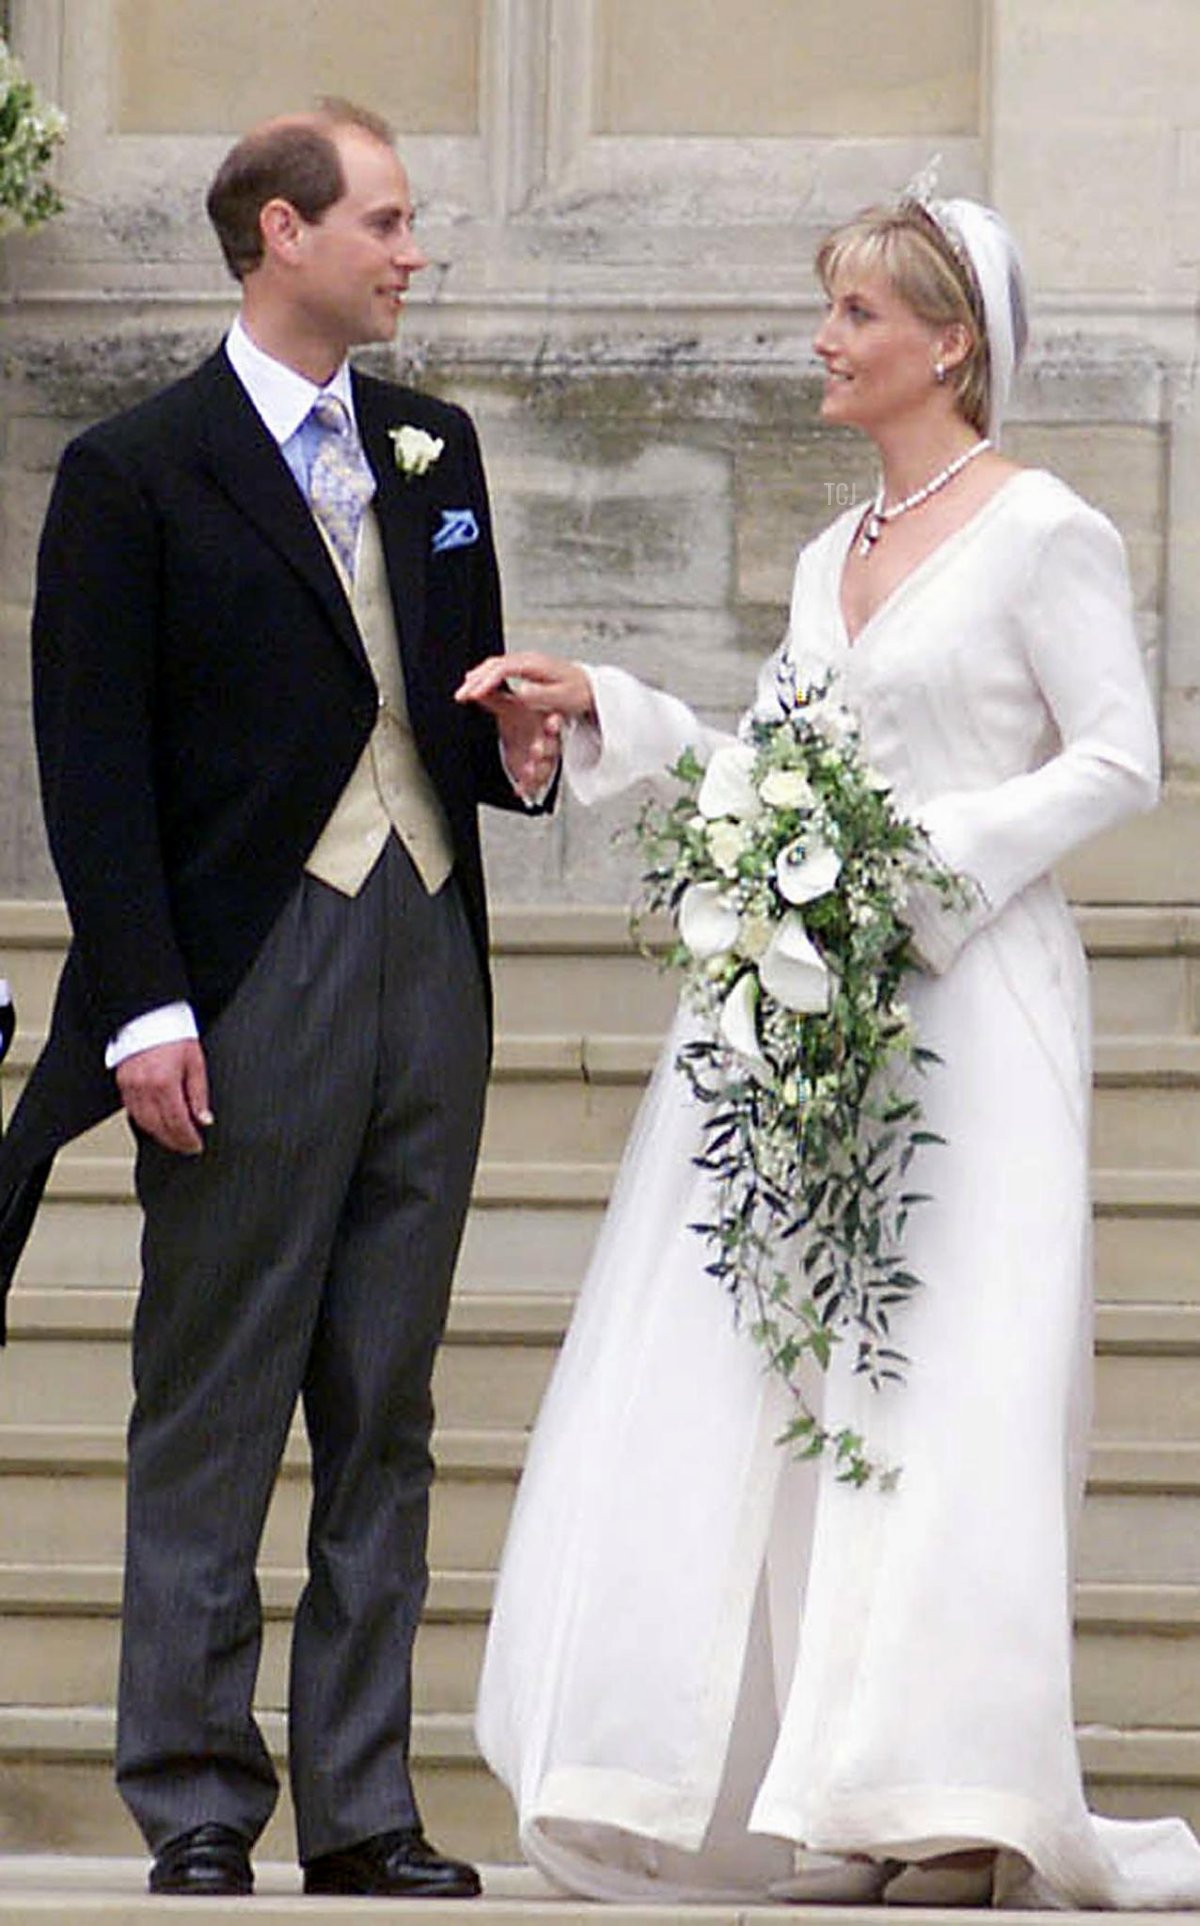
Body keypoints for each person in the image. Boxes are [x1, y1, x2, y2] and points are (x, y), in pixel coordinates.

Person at [460, 191, 1200, 1909]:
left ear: (948, 342)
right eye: (831, 310)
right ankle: (841, 1796)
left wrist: (910, 872)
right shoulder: (826, 553)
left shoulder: (1045, 531)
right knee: (827, 1389)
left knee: (964, 1390)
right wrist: (612, 713)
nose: (825, 339)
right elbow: (783, 761)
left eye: (857, 312)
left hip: (978, 1002)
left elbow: (1117, 762)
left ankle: (956, 1801)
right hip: (829, 1021)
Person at [0, 101, 560, 1898]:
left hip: (426, 954)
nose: (411, 252)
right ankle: (193, 1796)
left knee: (384, 1403)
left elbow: (460, 717)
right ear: (277, 235)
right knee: (217, 1393)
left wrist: (529, 763)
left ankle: (368, 1804)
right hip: (242, 968)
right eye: (385, 223)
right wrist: (144, 1008)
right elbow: (90, 765)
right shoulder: (135, 469)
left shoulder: (433, 442)